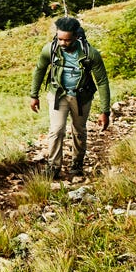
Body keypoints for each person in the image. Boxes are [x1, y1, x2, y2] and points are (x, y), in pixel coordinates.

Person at [28, 16, 111, 179]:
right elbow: (40, 70)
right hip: (58, 95)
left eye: (67, 40)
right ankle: (53, 167)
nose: (62, 43)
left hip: (82, 97)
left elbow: (102, 81)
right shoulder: (50, 49)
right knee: (56, 130)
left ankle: (77, 164)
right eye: (59, 39)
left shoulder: (90, 54)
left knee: (79, 130)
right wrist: (34, 95)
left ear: (76, 37)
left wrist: (105, 111)